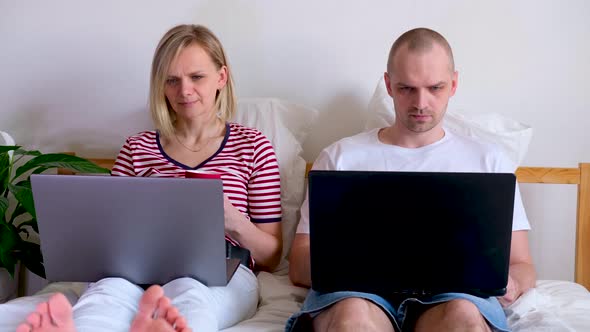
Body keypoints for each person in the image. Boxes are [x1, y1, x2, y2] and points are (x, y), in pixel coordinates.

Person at [10, 23, 283, 332]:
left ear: (221, 77)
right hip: (134, 271)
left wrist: (231, 219)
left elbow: (272, 257)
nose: (184, 91)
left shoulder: (253, 146)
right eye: (172, 80)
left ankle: (166, 323)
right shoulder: (137, 148)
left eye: (197, 77)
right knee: (104, 296)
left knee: (192, 296)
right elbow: (107, 235)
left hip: (221, 269)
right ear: (161, 86)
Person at [286, 27, 536, 332]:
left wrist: (512, 282)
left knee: (464, 316)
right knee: (353, 316)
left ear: (454, 84)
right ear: (389, 85)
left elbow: (523, 265)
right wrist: (345, 264)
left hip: (456, 297)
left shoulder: (490, 161)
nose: (421, 102)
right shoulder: (339, 158)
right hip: (358, 294)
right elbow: (298, 266)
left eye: (435, 88)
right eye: (407, 88)